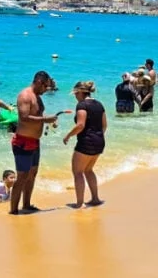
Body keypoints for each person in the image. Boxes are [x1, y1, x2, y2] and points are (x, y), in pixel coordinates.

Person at [10, 70, 60, 215]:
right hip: (23, 142)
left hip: (35, 141)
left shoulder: (38, 97)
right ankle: (13, 210)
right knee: (22, 177)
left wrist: (49, 120)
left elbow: (37, 115)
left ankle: (26, 205)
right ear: (39, 82)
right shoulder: (25, 96)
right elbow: (24, 117)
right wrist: (45, 120)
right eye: (45, 86)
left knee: (32, 174)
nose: (46, 90)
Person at [63, 80, 107, 209]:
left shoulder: (82, 105)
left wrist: (68, 136)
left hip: (86, 142)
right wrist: (97, 137)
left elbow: (80, 125)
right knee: (88, 170)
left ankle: (80, 203)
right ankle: (95, 198)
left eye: (76, 94)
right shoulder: (99, 104)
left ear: (80, 92)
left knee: (78, 172)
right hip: (99, 141)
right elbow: (104, 125)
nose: (75, 97)